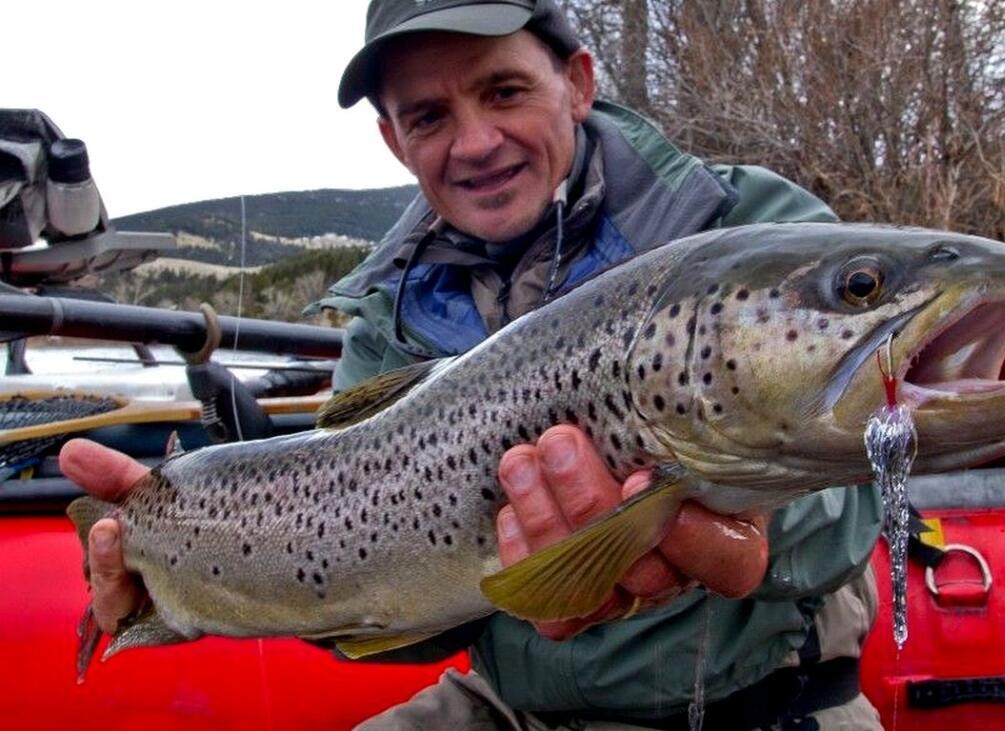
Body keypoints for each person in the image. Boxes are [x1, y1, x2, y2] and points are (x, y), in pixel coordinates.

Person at [61, 1, 885, 728]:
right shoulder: (385, 320)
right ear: (394, 140)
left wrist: (734, 521)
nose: (477, 143)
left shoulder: (746, 229)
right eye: (429, 117)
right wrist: (173, 579)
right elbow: (390, 622)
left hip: (772, 701)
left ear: (578, 83)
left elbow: (857, 502)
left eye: (504, 91)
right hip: (517, 709)